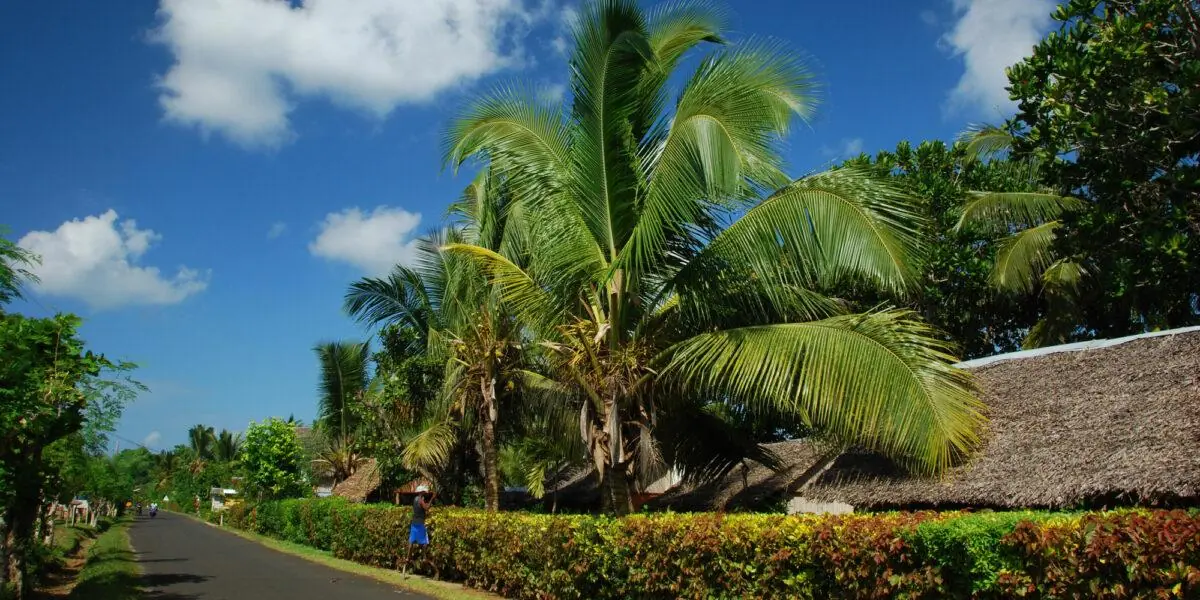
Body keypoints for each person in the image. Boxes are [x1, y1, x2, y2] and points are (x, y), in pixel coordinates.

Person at [403, 485, 435, 575]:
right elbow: (427, 508)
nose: (425, 493)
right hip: (420, 523)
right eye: (424, 492)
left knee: (411, 541)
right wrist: (432, 498)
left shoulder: (415, 499)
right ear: (422, 492)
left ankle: (408, 558)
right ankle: (424, 557)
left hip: (414, 523)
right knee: (425, 542)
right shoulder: (420, 500)